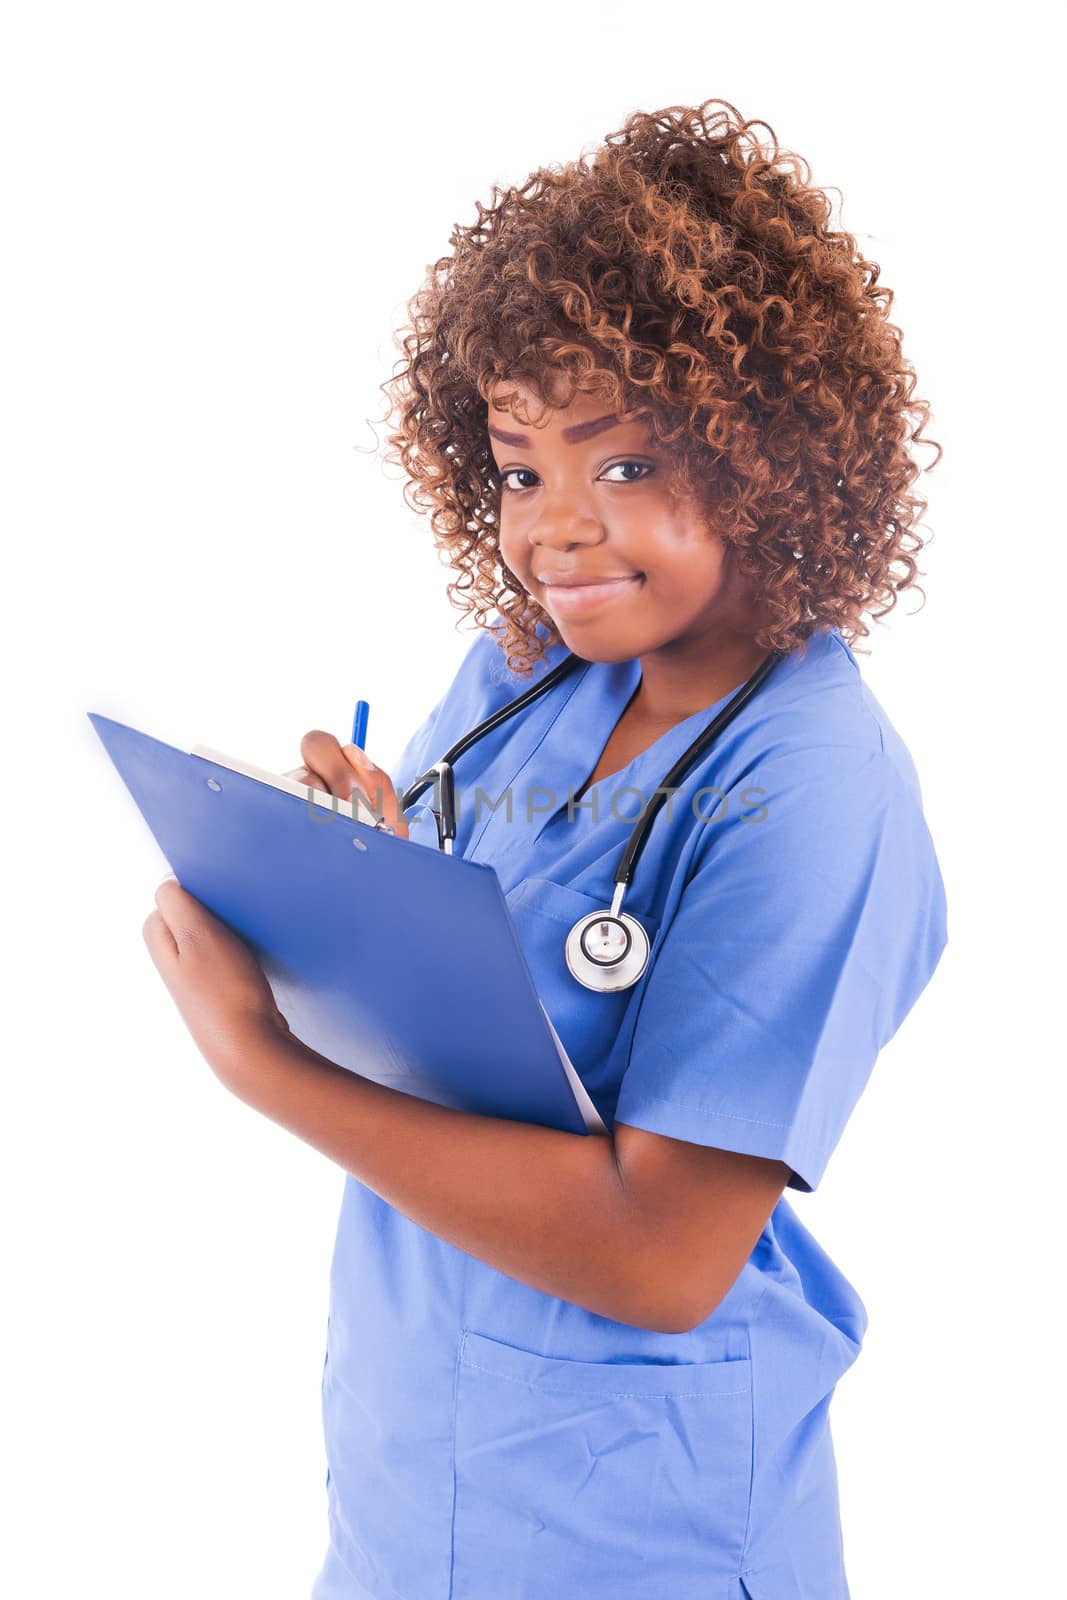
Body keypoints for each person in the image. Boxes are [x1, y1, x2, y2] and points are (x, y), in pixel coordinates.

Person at [143, 99, 948, 1599]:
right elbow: (471, 1002)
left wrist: (267, 1064)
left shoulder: (820, 784)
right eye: (519, 470)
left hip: (645, 1532)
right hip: (413, 1473)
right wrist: (352, 884)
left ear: (773, 456)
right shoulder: (528, 675)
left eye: (626, 465)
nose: (556, 532)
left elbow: (662, 1255)